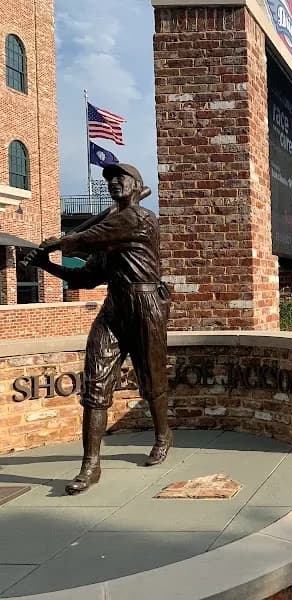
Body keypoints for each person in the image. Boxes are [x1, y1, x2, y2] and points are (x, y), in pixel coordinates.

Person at [30, 163, 172, 494]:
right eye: (109, 179)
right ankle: (90, 465)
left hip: (146, 305)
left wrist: (57, 242)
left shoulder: (140, 219)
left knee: (151, 379)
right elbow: (86, 277)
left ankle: (163, 434)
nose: (114, 183)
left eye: (121, 178)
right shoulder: (110, 232)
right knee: (95, 384)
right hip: (114, 308)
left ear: (137, 185)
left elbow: (88, 238)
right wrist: (46, 264)